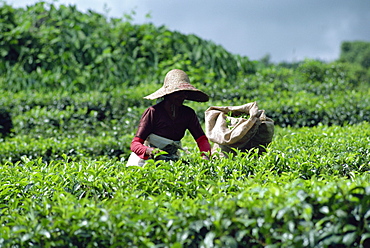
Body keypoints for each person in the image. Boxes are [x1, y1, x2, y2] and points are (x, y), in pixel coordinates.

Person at [127, 69, 211, 166]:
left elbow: (201, 139)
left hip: (171, 159)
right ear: (168, 94)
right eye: (178, 93)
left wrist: (205, 156)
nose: (182, 96)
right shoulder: (153, 112)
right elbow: (135, 144)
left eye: (184, 93)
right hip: (145, 160)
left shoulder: (188, 114)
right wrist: (149, 151)